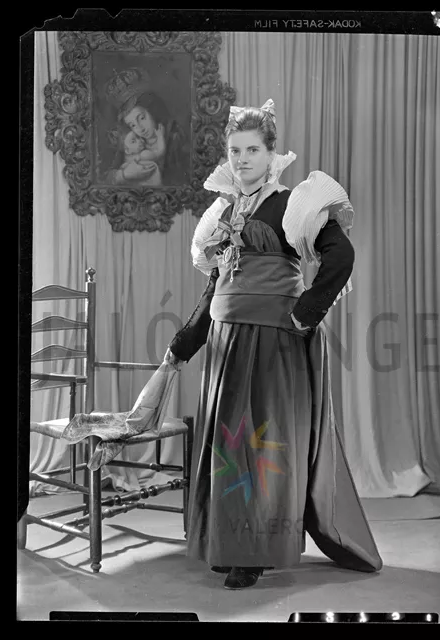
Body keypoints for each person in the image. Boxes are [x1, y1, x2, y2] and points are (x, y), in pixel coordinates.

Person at [164, 99, 382, 590]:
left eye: (252, 150)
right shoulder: (225, 212)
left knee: (261, 445)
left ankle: (254, 554)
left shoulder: (291, 204)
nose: (242, 159)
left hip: (271, 346)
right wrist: (184, 344)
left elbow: (341, 256)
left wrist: (303, 314)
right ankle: (229, 545)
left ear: (271, 154)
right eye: (235, 150)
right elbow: (217, 285)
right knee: (229, 447)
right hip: (225, 347)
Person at [105, 72, 189, 187]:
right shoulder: (130, 141)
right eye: (132, 125)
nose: (140, 128)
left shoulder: (173, 135)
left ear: (152, 110)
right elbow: (107, 178)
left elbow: (183, 180)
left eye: (142, 118)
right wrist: (124, 175)